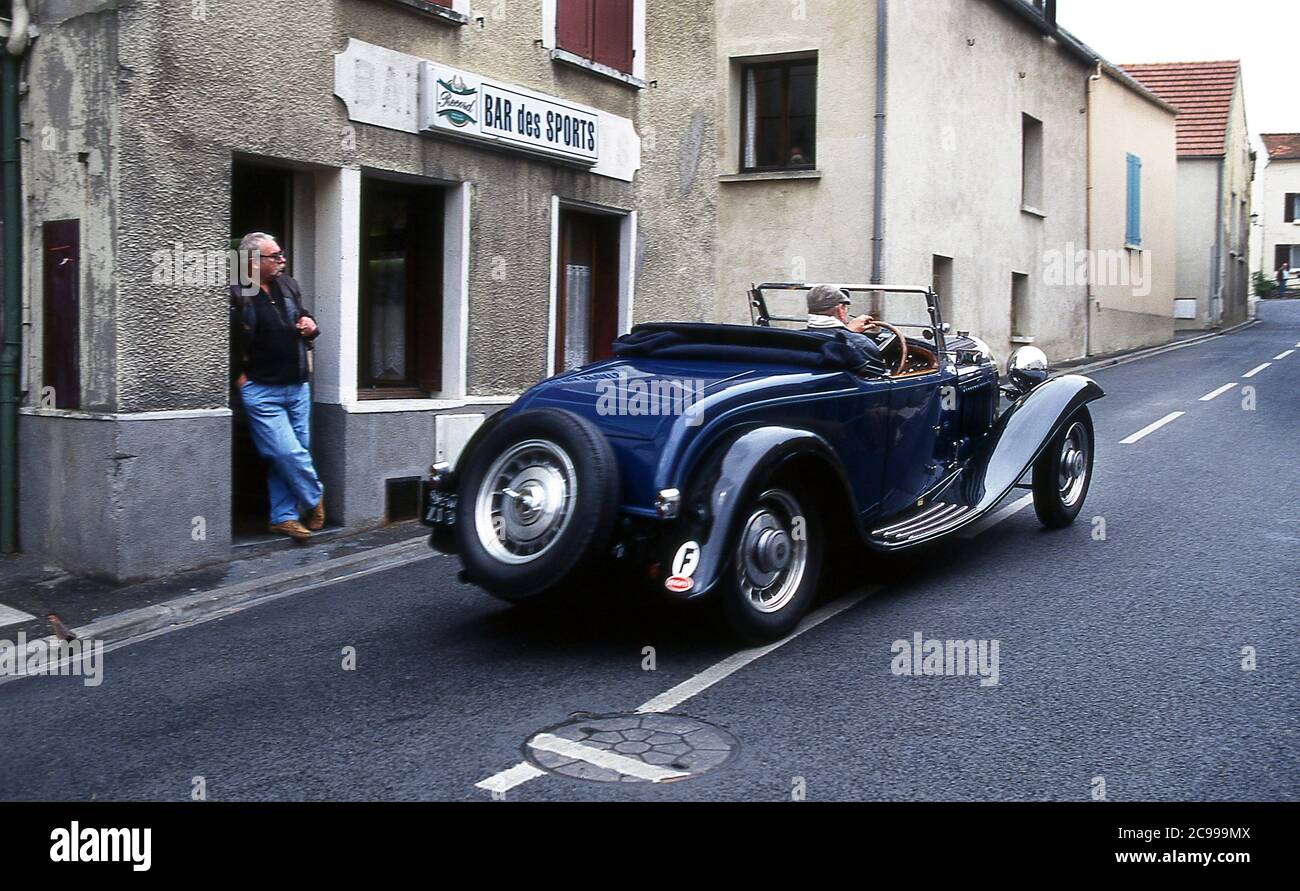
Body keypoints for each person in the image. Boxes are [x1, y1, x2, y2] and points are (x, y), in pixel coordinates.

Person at [230, 232, 325, 542]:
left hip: (297, 386)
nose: (282, 260)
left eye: (281, 254)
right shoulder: (237, 290)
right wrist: (239, 378)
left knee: (286, 455)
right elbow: (224, 338)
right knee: (287, 451)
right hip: (261, 388)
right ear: (253, 262)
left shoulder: (288, 284)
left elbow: (301, 316)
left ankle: (283, 517)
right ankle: (314, 497)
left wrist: (309, 325)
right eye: (276, 256)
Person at [805, 284, 878, 358]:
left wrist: (848, 332)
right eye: (845, 308)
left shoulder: (798, 339)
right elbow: (879, 368)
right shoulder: (861, 344)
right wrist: (849, 334)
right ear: (840, 310)